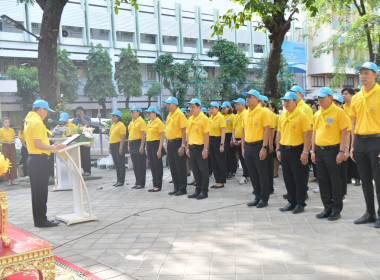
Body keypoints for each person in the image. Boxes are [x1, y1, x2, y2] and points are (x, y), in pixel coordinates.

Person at [24, 100, 66, 227]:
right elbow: (37, 144)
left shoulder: (29, 120)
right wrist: (53, 148)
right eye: (46, 111)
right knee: (41, 192)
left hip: (33, 159)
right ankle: (42, 220)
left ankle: (39, 220)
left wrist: (51, 146)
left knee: (37, 193)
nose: (47, 114)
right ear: (41, 110)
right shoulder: (36, 122)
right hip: (38, 160)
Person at [350, 62, 380, 227]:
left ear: (375, 75)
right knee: (366, 180)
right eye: (361, 73)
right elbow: (354, 123)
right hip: (361, 142)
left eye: (367, 73)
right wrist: (353, 146)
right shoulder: (356, 97)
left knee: (379, 181)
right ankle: (370, 212)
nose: (363, 76)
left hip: (377, 141)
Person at [311, 87, 348, 221]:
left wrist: (342, 151)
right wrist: (313, 151)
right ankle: (327, 208)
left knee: (335, 181)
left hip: (333, 151)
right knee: (323, 180)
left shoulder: (338, 112)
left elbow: (345, 132)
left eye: (322, 97)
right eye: (318, 97)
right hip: (319, 151)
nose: (319, 99)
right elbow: (314, 133)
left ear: (330, 98)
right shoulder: (317, 114)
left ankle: (336, 210)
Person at [277, 92, 312, 214]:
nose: (285, 103)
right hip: (285, 149)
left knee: (299, 178)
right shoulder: (282, 115)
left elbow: (308, 134)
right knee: (288, 178)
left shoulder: (302, 116)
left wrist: (305, 152)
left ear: (295, 102)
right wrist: (278, 149)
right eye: (284, 101)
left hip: (298, 149)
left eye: (288, 101)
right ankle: (291, 201)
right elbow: (279, 133)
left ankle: (300, 203)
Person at [242, 89, 271, 208]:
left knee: (262, 173)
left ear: (257, 100)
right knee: (253, 173)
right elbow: (243, 131)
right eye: (246, 97)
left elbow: (267, 130)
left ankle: (264, 198)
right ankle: (257, 196)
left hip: (259, 145)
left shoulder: (264, 112)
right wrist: (243, 147)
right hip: (248, 146)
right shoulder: (245, 113)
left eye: (250, 97)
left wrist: (264, 147)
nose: (247, 99)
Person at [186, 98, 210, 199]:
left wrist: (205, 149)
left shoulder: (204, 119)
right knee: (195, 170)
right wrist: (187, 147)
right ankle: (197, 190)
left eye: (193, 107)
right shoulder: (190, 119)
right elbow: (188, 134)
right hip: (192, 147)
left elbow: (206, 135)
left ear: (199, 107)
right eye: (190, 107)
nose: (191, 109)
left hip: (200, 147)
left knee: (203, 170)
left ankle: (204, 191)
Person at [164, 97, 188, 196]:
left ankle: (182, 188)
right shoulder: (169, 115)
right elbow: (167, 131)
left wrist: (183, 145)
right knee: (173, 166)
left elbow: (184, 131)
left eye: (169, 104)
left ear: (175, 104)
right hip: (170, 143)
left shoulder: (180, 115)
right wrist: (166, 144)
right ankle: (176, 187)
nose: (167, 105)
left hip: (178, 143)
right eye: (167, 104)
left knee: (180, 166)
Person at [333, 94, 351, 200]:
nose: (334, 106)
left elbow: (347, 134)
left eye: (336, 104)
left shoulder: (345, 117)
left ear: (341, 104)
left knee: (342, 172)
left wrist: (346, 149)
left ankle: (342, 193)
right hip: (333, 147)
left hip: (342, 147)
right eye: (333, 103)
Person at [342, 87, 361, 186]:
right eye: (343, 94)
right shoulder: (341, 108)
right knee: (346, 157)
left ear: (352, 95)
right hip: (344, 135)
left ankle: (357, 178)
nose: (343, 96)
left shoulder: (355, 106)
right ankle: (348, 177)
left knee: (354, 156)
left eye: (346, 94)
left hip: (354, 134)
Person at [144, 106, 165, 192]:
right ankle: (154, 184)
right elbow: (147, 136)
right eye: (148, 113)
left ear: (155, 113)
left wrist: (159, 149)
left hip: (156, 144)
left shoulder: (159, 122)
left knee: (157, 165)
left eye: (150, 113)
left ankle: (158, 185)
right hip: (149, 144)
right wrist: (145, 146)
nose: (148, 114)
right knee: (152, 165)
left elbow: (162, 136)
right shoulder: (149, 123)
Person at [208, 101, 226, 189]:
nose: (211, 110)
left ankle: (221, 181)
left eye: (213, 108)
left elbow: (223, 131)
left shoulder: (221, 117)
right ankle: (217, 180)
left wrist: (222, 144)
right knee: (213, 161)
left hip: (218, 140)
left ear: (217, 108)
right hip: (211, 140)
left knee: (220, 161)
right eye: (210, 108)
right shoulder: (210, 118)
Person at [128, 106, 146, 189]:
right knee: (135, 164)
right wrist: (128, 145)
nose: (132, 113)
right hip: (132, 143)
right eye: (131, 112)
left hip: (139, 143)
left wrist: (142, 146)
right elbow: (129, 134)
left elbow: (143, 134)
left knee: (140, 164)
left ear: (138, 112)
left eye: (133, 111)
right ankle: (137, 181)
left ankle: (141, 183)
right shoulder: (131, 122)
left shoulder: (141, 121)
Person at [232, 97, 249, 185]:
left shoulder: (245, 113)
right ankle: (246, 174)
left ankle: (246, 175)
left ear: (242, 105)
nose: (236, 106)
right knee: (242, 158)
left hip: (245, 139)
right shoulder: (237, 115)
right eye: (235, 104)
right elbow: (234, 128)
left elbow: (246, 129)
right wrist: (233, 139)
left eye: (238, 104)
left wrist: (242, 140)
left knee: (245, 158)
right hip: (237, 139)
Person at [72, 106, 92, 176]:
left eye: (80, 111)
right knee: (80, 155)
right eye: (77, 111)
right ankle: (82, 170)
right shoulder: (75, 120)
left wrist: (82, 117)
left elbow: (87, 125)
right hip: (78, 139)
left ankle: (88, 170)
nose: (78, 113)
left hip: (86, 138)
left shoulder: (87, 118)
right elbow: (72, 128)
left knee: (86, 155)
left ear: (83, 112)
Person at [108, 110, 126, 187]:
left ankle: (121, 180)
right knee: (116, 163)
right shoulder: (113, 125)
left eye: (114, 116)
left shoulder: (121, 125)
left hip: (118, 144)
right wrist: (109, 147)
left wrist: (121, 147)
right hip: (112, 145)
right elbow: (110, 137)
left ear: (118, 117)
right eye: (112, 116)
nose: (112, 118)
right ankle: (118, 179)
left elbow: (122, 137)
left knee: (121, 163)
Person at [221, 101, 237, 180]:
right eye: (222, 108)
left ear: (229, 108)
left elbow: (234, 128)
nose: (223, 109)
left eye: (225, 108)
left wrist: (232, 139)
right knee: (225, 155)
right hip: (223, 136)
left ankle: (232, 171)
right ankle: (227, 170)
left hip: (229, 136)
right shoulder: (222, 116)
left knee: (231, 154)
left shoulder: (232, 116)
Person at [0, 118, 18, 185]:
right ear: (3, 123)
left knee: (13, 162)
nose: (7, 124)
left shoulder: (12, 130)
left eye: (8, 122)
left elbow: (14, 139)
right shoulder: (1, 130)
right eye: (5, 122)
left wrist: (12, 142)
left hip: (12, 146)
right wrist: (5, 142)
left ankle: (13, 179)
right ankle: (7, 180)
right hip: (5, 146)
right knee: (6, 162)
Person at [268, 101, 280, 178]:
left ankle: (275, 172)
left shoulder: (276, 116)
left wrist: (275, 139)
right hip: (268, 135)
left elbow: (278, 129)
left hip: (275, 135)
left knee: (275, 156)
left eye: (269, 107)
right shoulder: (267, 116)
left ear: (273, 108)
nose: (268, 109)